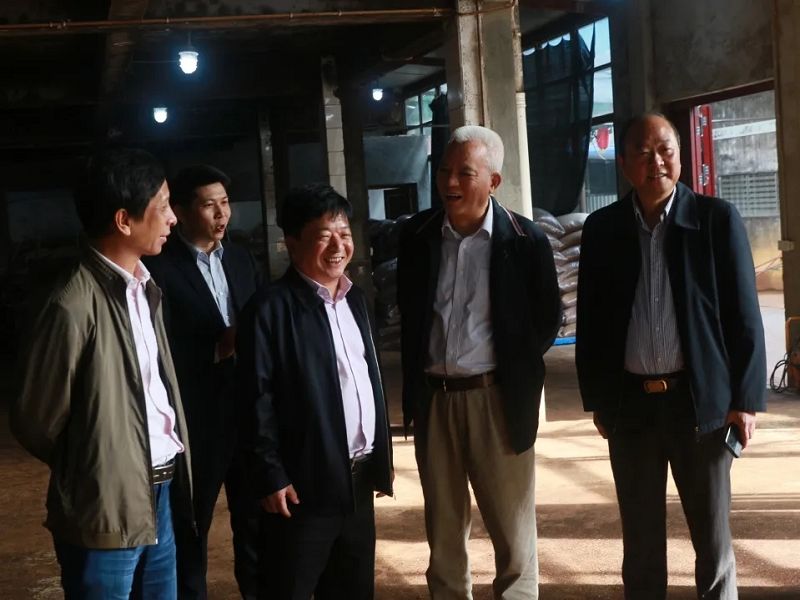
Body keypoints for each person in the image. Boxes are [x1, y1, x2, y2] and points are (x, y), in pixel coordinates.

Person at [576, 112, 767, 599]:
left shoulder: (715, 220)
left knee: (712, 541)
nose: (656, 161)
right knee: (640, 544)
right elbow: (592, 321)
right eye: (643, 152)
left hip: (699, 404)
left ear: (680, 157)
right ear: (623, 163)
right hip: (631, 407)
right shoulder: (603, 229)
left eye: (665, 150)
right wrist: (599, 400)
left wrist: (745, 400)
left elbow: (745, 316)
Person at [11, 147, 192, 599]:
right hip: (104, 507)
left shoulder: (144, 288)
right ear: (123, 220)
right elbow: (35, 421)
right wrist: (97, 467)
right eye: (163, 206)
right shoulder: (72, 305)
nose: (173, 218)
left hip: (159, 489)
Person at [397, 125, 561, 599]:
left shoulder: (525, 240)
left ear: (493, 181)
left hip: (497, 401)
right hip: (435, 400)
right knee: (444, 533)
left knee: (512, 533)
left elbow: (547, 319)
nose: (450, 182)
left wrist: (512, 366)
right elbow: (410, 314)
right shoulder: (418, 236)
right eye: (444, 171)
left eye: (464, 173)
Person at [237, 183, 393, 600]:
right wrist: (270, 474)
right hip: (301, 489)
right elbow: (254, 399)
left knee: (353, 590)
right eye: (325, 236)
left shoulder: (355, 300)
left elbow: (368, 381)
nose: (339, 246)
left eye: (344, 233)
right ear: (292, 243)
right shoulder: (269, 309)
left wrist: (380, 461)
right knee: (289, 589)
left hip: (357, 484)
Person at [144, 165, 260, 599]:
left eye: (225, 203)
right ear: (180, 211)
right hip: (194, 421)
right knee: (192, 526)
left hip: (247, 414)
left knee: (255, 526)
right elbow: (155, 349)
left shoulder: (242, 259)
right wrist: (217, 347)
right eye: (209, 205)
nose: (221, 213)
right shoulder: (158, 268)